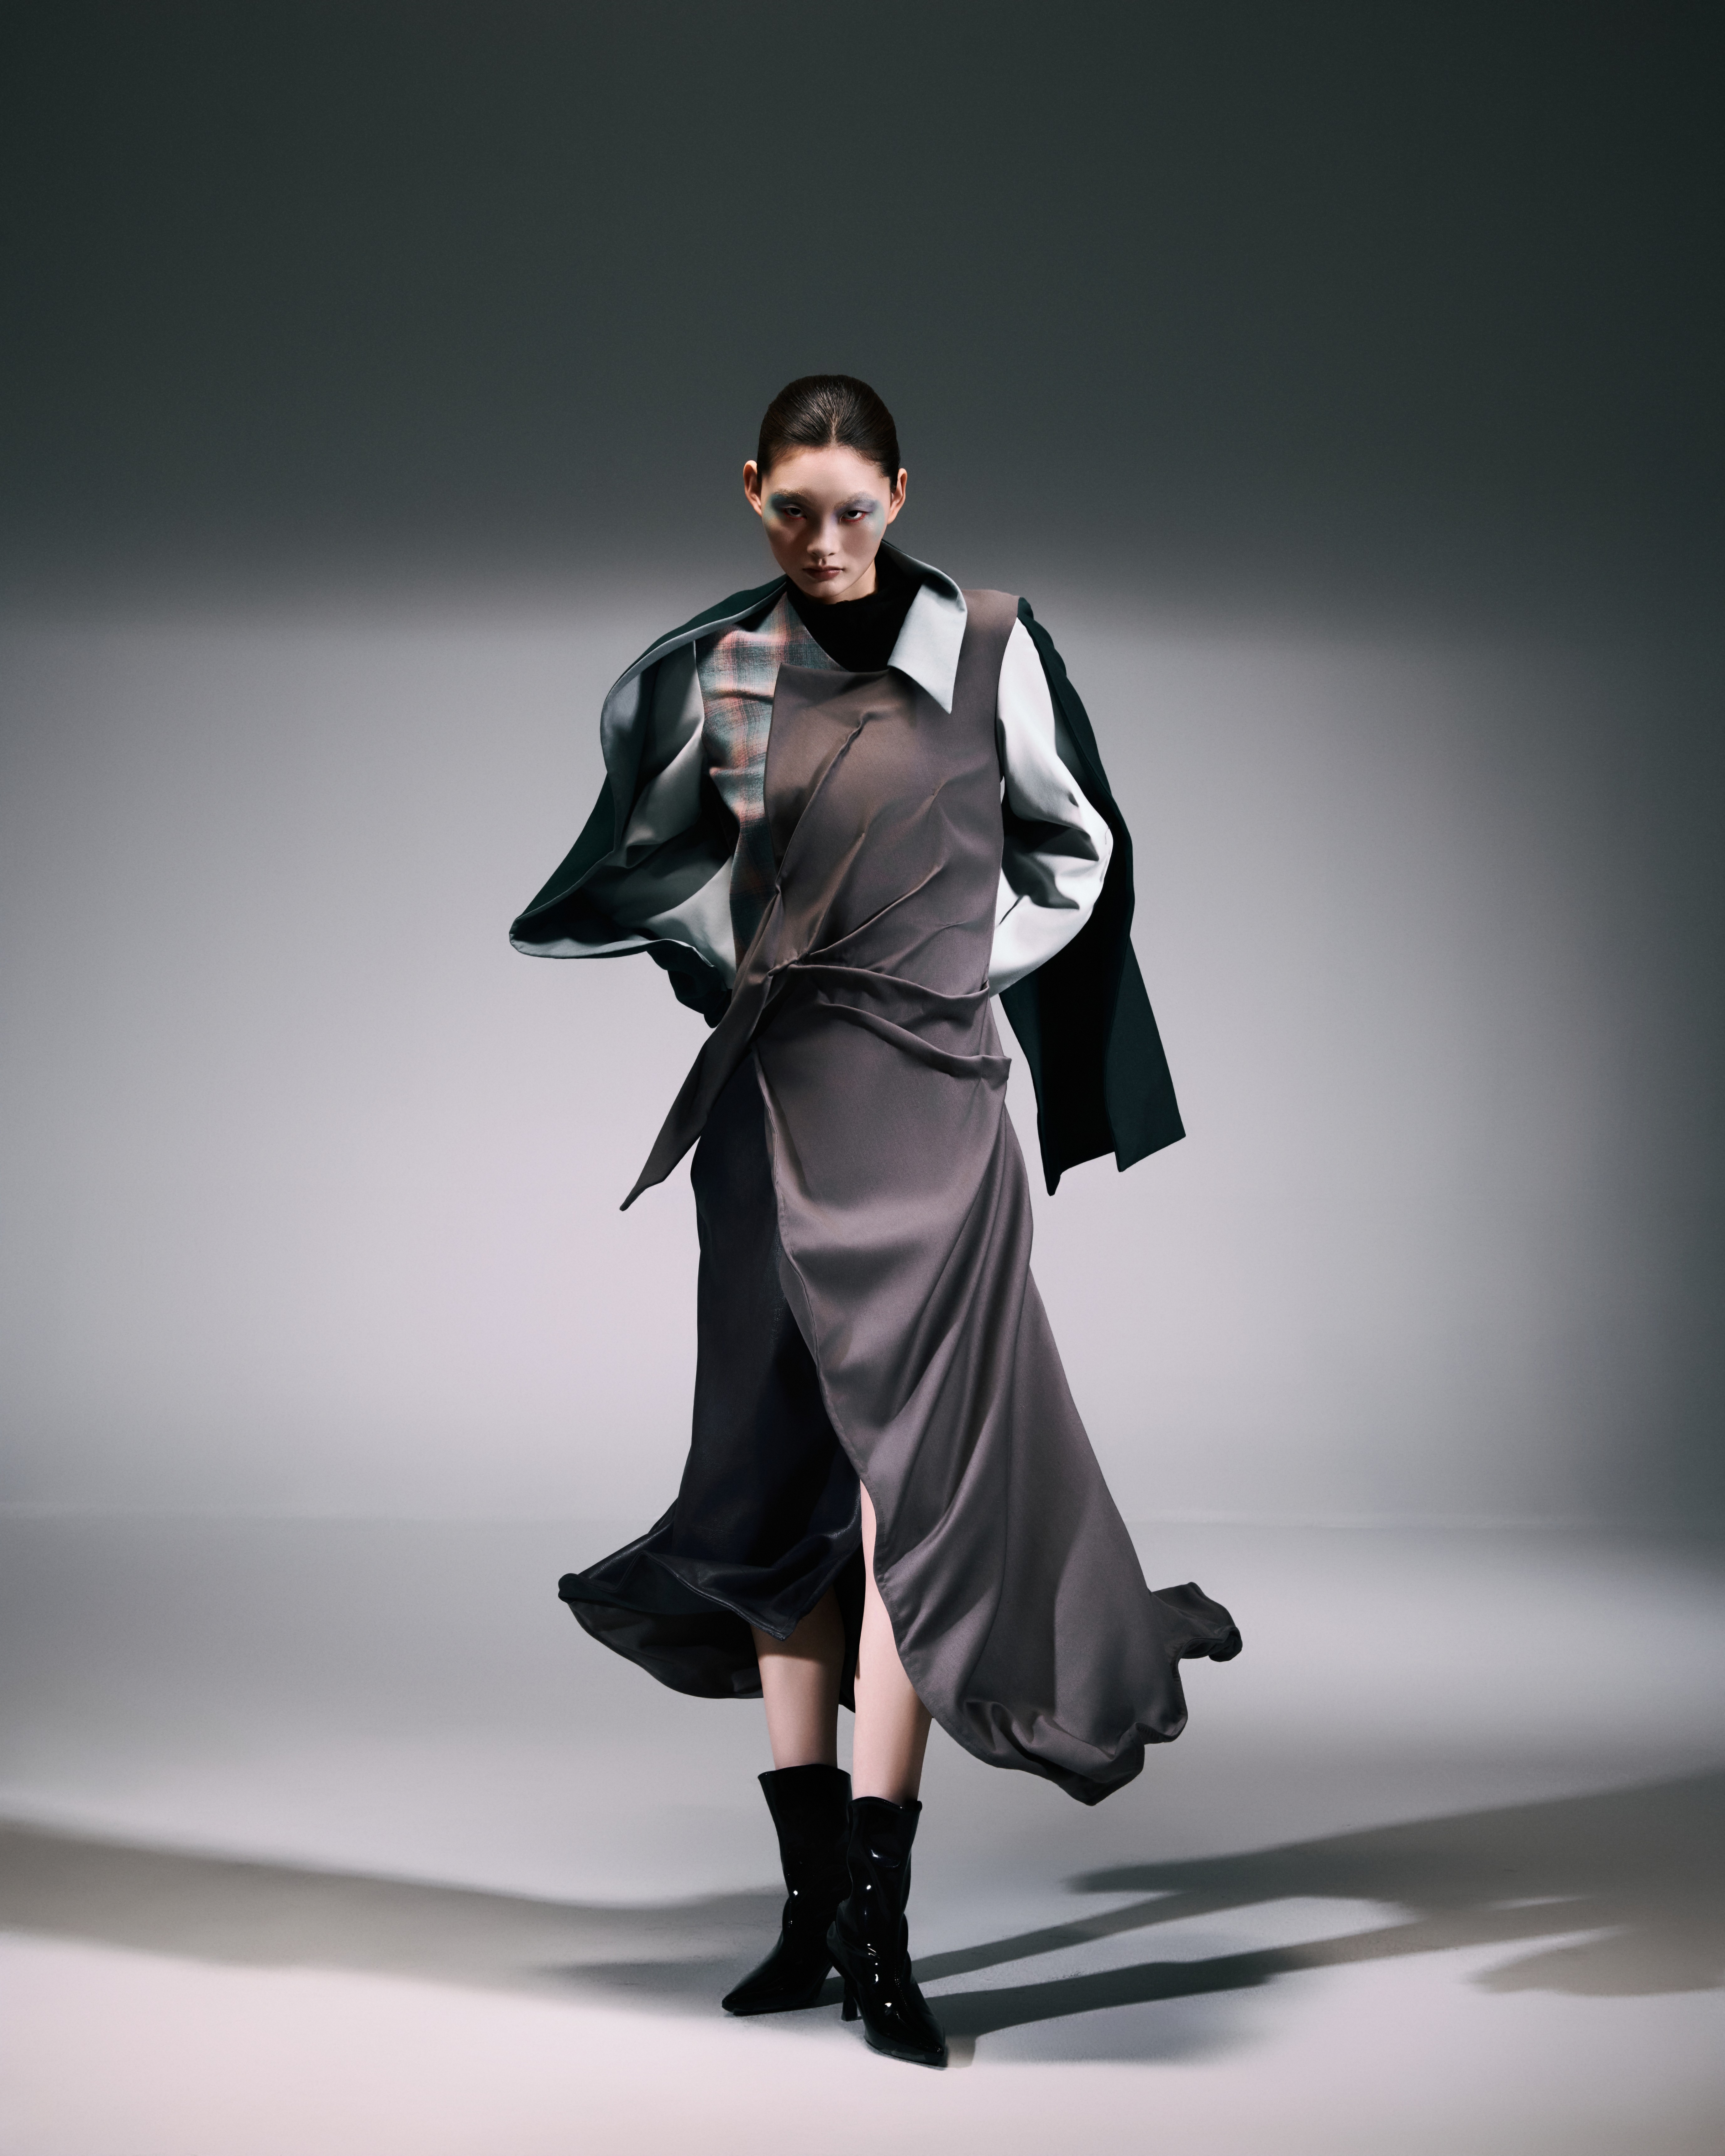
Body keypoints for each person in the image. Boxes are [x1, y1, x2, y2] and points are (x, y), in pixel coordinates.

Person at [510, 375, 1240, 2068]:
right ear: (752, 494)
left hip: (935, 1123)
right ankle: (803, 1911)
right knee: (778, 1485)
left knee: (914, 1493)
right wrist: (745, 959)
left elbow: (1077, 847)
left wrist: (954, 965)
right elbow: (681, 864)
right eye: (795, 510)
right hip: (772, 1117)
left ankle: (879, 1923)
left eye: (854, 508)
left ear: (900, 492)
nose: (827, 541)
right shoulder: (729, 670)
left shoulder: (992, 647)